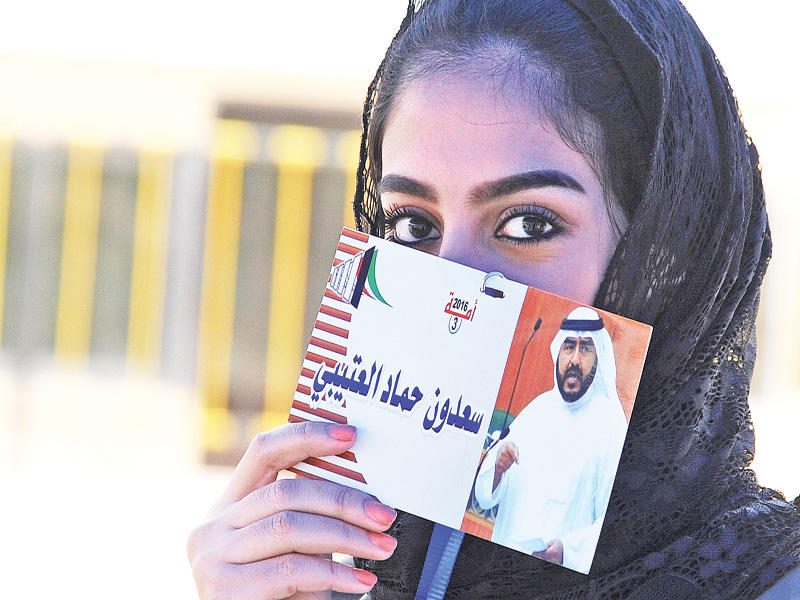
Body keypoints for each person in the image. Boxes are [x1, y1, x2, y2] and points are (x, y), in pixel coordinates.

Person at [187, 0, 800, 598]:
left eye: (528, 224)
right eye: (413, 225)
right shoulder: (353, 576)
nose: (452, 288)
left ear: (667, 254)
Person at [473, 307, 627, 573]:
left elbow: (616, 518)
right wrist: (498, 467)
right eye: (569, 347)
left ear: (599, 357)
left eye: (585, 349)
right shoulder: (537, 410)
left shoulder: (610, 425)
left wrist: (567, 550)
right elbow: (486, 497)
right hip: (499, 567)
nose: (575, 360)